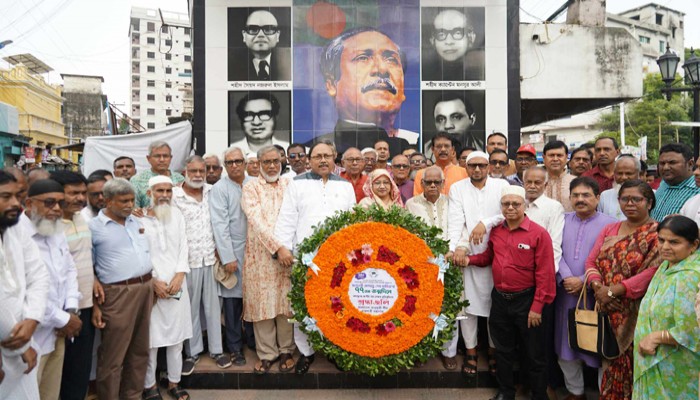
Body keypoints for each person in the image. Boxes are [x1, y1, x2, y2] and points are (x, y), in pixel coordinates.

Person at [463, 185, 556, 400]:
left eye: (516, 204)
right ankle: (506, 393)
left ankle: (539, 395)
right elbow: (488, 257)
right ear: (501, 206)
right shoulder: (497, 231)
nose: (511, 208)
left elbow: (545, 274)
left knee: (534, 354)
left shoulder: (538, 234)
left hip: (527, 301)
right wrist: (469, 260)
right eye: (506, 204)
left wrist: (537, 307)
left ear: (524, 206)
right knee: (503, 352)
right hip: (500, 300)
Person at [274, 142, 356, 374]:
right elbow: (287, 217)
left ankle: (334, 349)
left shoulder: (345, 186)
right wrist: (283, 248)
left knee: (337, 305)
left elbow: (352, 224)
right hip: (304, 257)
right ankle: (306, 352)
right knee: (304, 305)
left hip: (337, 260)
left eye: (327, 156)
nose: (322, 160)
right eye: (317, 156)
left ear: (335, 158)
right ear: (309, 160)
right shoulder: (297, 184)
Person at [585, 179, 662, 400]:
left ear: (649, 202)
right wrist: (599, 288)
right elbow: (591, 262)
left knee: (635, 365)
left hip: (635, 311)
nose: (630, 203)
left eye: (636, 199)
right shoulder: (611, 228)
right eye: (624, 199)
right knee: (608, 363)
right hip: (606, 308)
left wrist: (615, 291)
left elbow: (653, 271)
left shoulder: (657, 232)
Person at [447, 151, 509, 381]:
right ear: (465, 166)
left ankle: (493, 352)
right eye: (472, 165)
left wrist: (485, 222)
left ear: (489, 166)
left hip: (499, 251)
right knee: (468, 306)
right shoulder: (457, 188)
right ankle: (471, 352)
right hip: (468, 253)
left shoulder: (501, 185)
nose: (477, 170)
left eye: (482, 165)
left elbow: (508, 213)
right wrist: (456, 249)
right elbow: (456, 221)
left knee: (495, 307)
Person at [90, 178, 154, 400]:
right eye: (123, 201)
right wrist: (97, 303)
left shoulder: (135, 221)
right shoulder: (94, 228)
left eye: (131, 200)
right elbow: (87, 269)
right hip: (117, 295)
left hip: (145, 289)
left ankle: (132, 396)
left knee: (139, 351)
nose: (129, 205)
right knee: (113, 356)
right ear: (107, 201)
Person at [307, 27, 416, 154]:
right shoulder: (312, 151)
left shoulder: (419, 147)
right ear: (332, 85)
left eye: (391, 60)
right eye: (363, 58)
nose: (382, 69)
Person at [555, 177, 616, 400]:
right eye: (576, 195)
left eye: (586, 195)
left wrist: (583, 279)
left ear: (598, 198)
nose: (580, 200)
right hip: (565, 293)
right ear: (569, 198)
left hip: (595, 294)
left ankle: (604, 393)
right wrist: (567, 276)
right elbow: (555, 251)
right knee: (565, 344)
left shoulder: (611, 224)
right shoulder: (561, 220)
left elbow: (608, 258)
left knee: (599, 344)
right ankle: (575, 391)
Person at [20, 179, 81, 400]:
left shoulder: (56, 230)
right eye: (49, 203)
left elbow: (69, 270)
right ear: (29, 203)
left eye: (60, 203)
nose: (56, 209)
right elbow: (25, 291)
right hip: (29, 341)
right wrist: (64, 319)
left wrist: (71, 309)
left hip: (57, 334)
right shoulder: (15, 237)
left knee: (50, 394)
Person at [241, 146, 296, 374]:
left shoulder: (290, 185)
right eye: (266, 162)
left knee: (285, 305)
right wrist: (278, 248)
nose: (272, 166)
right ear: (259, 164)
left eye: (275, 161)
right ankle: (266, 354)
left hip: (288, 256)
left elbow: (296, 215)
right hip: (260, 257)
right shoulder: (251, 187)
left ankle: (286, 350)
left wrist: (287, 249)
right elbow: (256, 221)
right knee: (262, 306)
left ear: (281, 161)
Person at [172, 156, 230, 372]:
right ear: (184, 172)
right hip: (187, 261)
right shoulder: (174, 195)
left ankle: (217, 351)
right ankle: (192, 352)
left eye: (201, 171)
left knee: (213, 308)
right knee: (190, 309)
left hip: (210, 259)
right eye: (193, 171)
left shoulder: (212, 192)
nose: (197, 175)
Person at [633, 215, 700, 399]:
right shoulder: (667, 266)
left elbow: (692, 329)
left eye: (674, 242)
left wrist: (656, 337)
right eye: (661, 240)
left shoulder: (691, 276)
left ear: (693, 245)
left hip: (676, 366)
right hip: (655, 359)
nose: (665, 247)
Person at [139, 176, 192, 400]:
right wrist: (153, 281)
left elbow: (183, 246)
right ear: (149, 193)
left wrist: (180, 275)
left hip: (177, 284)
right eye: (159, 191)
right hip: (151, 286)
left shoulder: (177, 215)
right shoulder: (138, 219)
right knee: (150, 341)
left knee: (176, 340)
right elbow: (139, 253)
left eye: (169, 191)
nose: (165, 195)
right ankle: (149, 386)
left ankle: (174, 383)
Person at [0, 170, 48, 400]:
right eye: (5, 197)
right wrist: (21, 345)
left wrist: (32, 318)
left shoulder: (16, 226)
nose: (15, 204)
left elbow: (38, 274)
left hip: (24, 340)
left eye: (17, 196)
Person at [50, 171, 96, 400]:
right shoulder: (50, 225)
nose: (80, 198)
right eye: (74, 193)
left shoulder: (83, 218)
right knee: (58, 374)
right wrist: (64, 313)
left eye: (83, 193)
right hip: (60, 313)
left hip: (85, 306)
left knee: (79, 370)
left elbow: (86, 259)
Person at [210, 147, 256, 366]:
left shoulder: (254, 184)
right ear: (225, 166)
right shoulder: (219, 189)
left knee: (254, 299)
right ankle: (235, 348)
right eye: (230, 162)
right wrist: (228, 256)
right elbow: (219, 224)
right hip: (233, 252)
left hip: (257, 252)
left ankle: (255, 343)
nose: (235, 165)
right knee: (232, 303)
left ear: (245, 163)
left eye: (238, 161)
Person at [422, 8, 484, 81]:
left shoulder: (480, 69)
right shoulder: (425, 72)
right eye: (441, 34)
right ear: (432, 40)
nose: (449, 42)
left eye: (457, 33)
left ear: (471, 37)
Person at [228, 10, 290, 81]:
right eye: (253, 29)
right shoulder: (231, 66)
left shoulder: (289, 65)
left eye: (268, 29)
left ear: (277, 35)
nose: (261, 35)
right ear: (244, 35)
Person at [424, 94, 482, 160]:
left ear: (472, 119)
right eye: (441, 119)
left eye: (456, 117)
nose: (447, 126)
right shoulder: (424, 153)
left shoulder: (484, 150)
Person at [652, 143, 700, 221]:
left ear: (690, 164)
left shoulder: (697, 190)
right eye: (662, 163)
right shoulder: (664, 183)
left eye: (672, 163)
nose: (665, 167)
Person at [130, 141, 185, 208]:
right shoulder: (137, 180)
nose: (162, 160)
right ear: (148, 158)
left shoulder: (180, 179)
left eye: (165, 156)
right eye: (157, 156)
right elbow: (134, 209)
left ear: (171, 158)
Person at [598, 154, 640, 221]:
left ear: (638, 174)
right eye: (620, 173)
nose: (624, 177)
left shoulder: (650, 194)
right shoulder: (605, 196)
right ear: (614, 174)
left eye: (628, 173)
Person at [543, 140, 575, 212]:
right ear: (544, 157)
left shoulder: (576, 182)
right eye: (551, 155)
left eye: (559, 155)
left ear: (566, 157)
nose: (555, 159)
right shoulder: (536, 182)